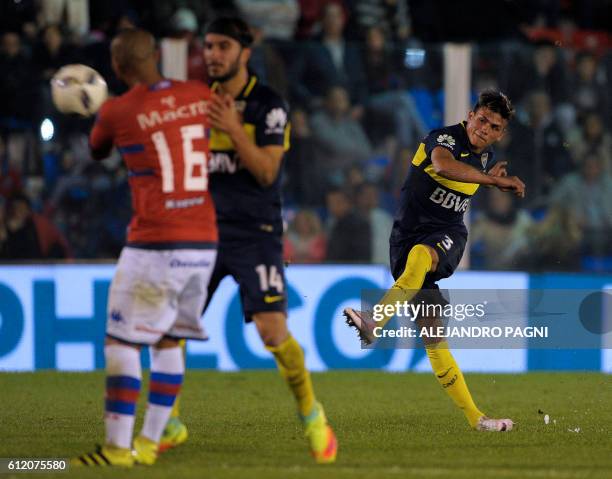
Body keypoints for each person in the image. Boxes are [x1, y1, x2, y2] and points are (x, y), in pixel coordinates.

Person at [162, 17, 337, 464]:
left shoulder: (267, 105)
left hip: (254, 233)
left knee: (271, 330)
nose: (214, 54)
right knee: (168, 329)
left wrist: (233, 129)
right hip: (200, 231)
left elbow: (266, 172)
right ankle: (169, 422)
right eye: (209, 46)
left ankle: (312, 416)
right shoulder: (194, 101)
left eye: (223, 46)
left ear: (246, 51)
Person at [72, 28, 218, 467]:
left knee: (121, 342)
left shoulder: (118, 110)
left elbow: (97, 151)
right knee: (169, 340)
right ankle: (149, 445)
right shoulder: (198, 92)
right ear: (157, 55)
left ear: (116, 68)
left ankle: (117, 448)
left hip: (156, 242)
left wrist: (91, 108)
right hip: (204, 241)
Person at [344, 90, 525, 432]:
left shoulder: (485, 158)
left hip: (446, 237)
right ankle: (478, 419)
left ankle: (374, 322)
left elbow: (464, 178)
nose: (484, 129)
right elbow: (443, 165)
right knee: (434, 338)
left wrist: (489, 179)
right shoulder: (442, 138)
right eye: (482, 119)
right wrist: (492, 181)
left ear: (500, 134)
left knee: (421, 256)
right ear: (470, 115)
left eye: (493, 126)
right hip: (404, 238)